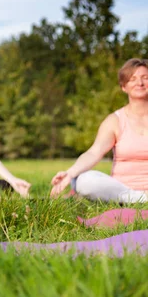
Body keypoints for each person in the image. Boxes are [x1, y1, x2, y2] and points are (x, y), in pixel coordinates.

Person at [51, 58, 148, 203]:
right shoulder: (114, 120)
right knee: (83, 181)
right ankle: (139, 199)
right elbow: (94, 152)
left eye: (145, 78)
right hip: (120, 190)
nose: (139, 83)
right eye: (132, 79)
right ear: (123, 86)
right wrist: (70, 173)